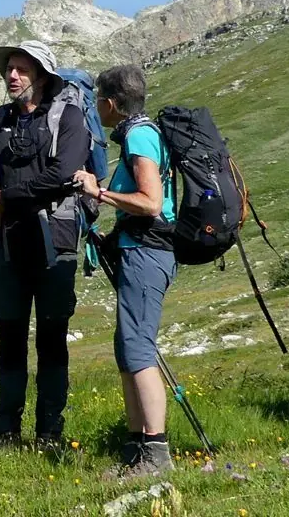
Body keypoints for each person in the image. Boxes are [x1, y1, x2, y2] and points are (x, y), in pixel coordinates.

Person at [0, 40, 90, 447]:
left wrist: (6, 196)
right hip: (7, 243)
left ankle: (50, 431)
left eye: (22, 69)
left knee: (52, 337)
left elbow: (62, 173)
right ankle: (5, 431)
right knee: (10, 336)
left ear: (41, 75)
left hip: (54, 241)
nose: (13, 76)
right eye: (9, 69)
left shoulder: (68, 117)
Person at [73, 63, 178, 476]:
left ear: (112, 103)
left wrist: (98, 192)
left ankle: (156, 454)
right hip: (139, 251)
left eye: (98, 98)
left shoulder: (138, 135)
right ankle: (137, 450)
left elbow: (151, 203)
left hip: (148, 254)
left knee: (139, 350)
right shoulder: (141, 133)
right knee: (128, 349)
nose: (96, 105)